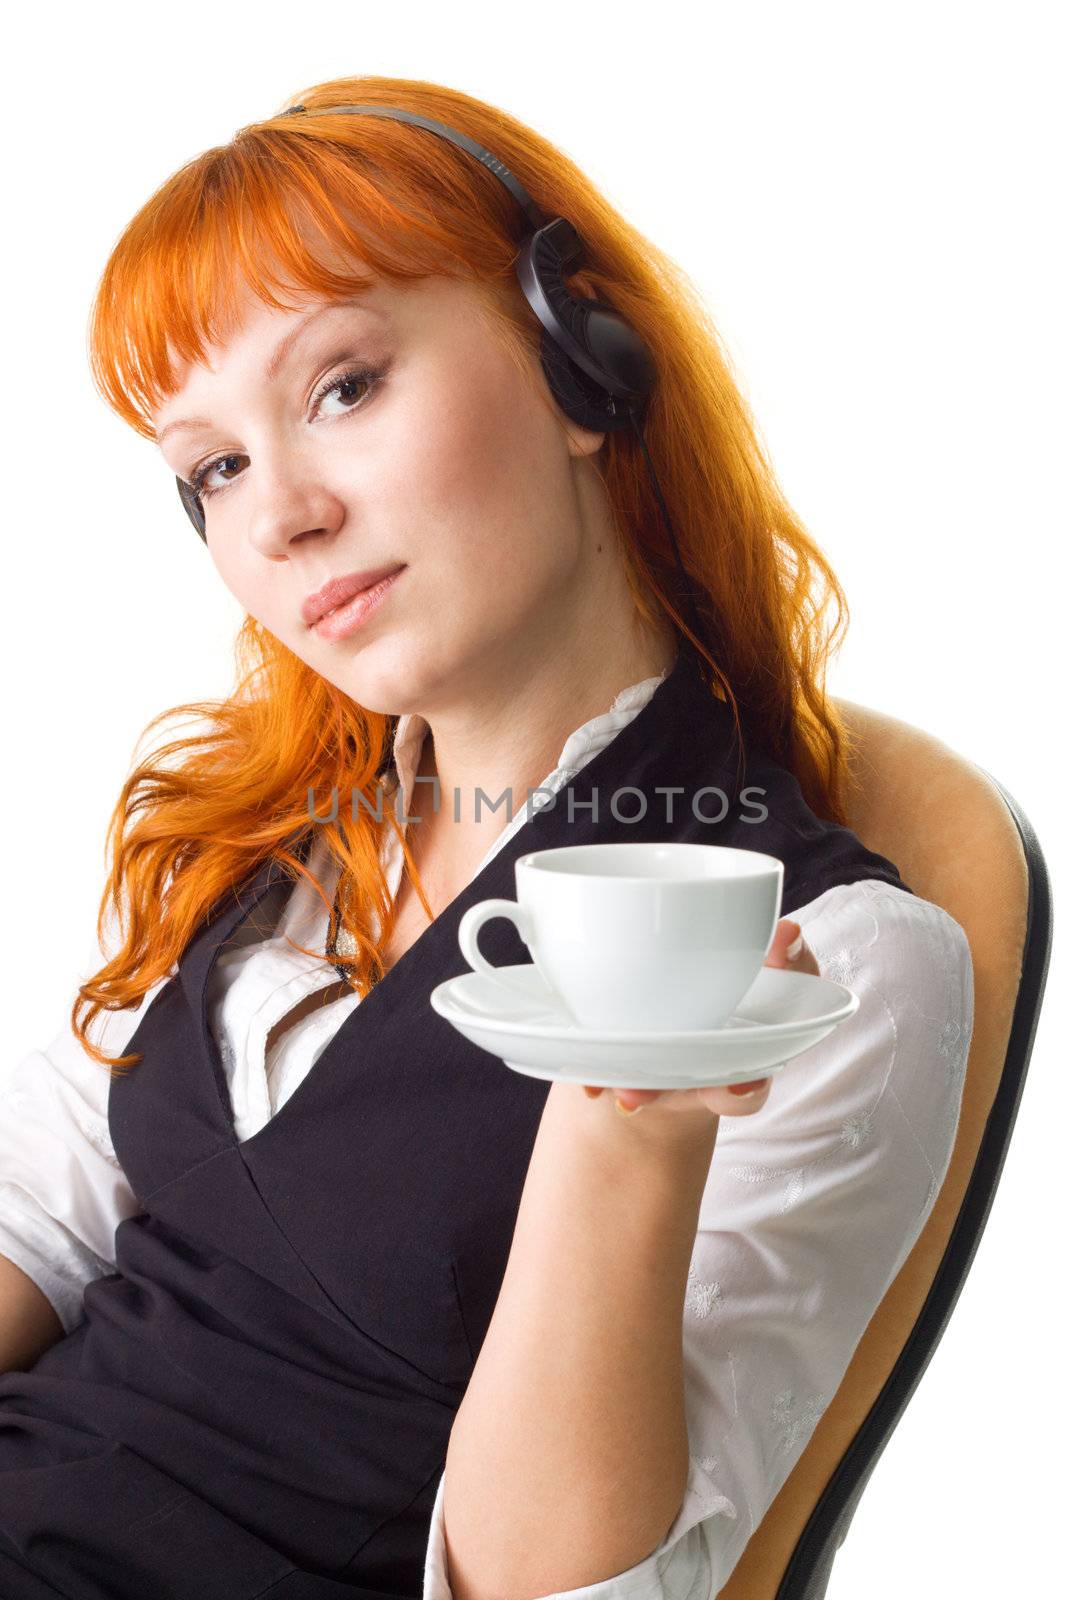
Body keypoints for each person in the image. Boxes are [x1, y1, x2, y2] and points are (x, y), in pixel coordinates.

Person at [0, 77, 974, 1600]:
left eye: (341, 386)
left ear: (585, 362)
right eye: (215, 468)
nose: (281, 519)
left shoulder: (835, 960)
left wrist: (617, 1128)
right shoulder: (266, 857)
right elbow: (39, 1214)